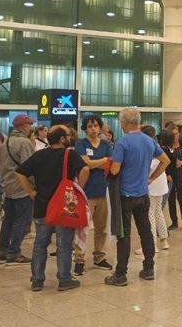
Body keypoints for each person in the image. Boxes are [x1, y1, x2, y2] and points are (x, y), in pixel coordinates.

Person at [15, 125, 89, 292]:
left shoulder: (39, 155)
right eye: (68, 135)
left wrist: (31, 191)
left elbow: (19, 172)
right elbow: (85, 169)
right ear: (62, 139)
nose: (69, 137)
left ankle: (37, 280)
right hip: (64, 205)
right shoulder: (69, 154)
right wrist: (78, 189)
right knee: (64, 243)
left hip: (42, 205)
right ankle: (64, 279)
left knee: (40, 243)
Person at [104, 108, 171, 286]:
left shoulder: (123, 143)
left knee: (124, 235)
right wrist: (151, 178)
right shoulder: (149, 141)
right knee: (145, 231)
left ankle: (121, 274)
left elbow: (115, 169)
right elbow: (165, 160)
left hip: (125, 195)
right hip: (143, 194)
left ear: (125, 123)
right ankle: (148, 268)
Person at [73, 115, 113, 276]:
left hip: (103, 191)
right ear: (85, 128)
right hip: (86, 192)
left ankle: (99, 257)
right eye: (89, 126)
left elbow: (110, 163)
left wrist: (96, 162)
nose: (93, 129)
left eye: (96, 126)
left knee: (101, 228)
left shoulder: (105, 144)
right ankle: (79, 260)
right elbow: (85, 163)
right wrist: (101, 161)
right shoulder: (80, 144)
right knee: (82, 228)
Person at [0, 114, 36, 266]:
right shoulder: (24, 143)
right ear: (22, 126)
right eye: (28, 125)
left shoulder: (5, 142)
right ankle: (14, 253)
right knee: (22, 220)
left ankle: (2, 253)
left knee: (8, 220)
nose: (30, 127)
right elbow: (29, 166)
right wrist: (34, 186)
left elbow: (1, 166)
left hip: (8, 187)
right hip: (22, 187)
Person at [140, 125, 170, 251]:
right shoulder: (157, 146)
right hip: (161, 184)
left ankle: (151, 244)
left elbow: (149, 166)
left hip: (152, 184)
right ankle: (164, 240)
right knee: (158, 211)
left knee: (149, 214)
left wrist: (149, 178)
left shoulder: (148, 147)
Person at [163, 129, 182, 231]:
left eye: (177, 133)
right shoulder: (166, 148)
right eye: (173, 134)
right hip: (171, 176)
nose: (176, 136)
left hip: (181, 174)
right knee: (171, 200)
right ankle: (174, 222)